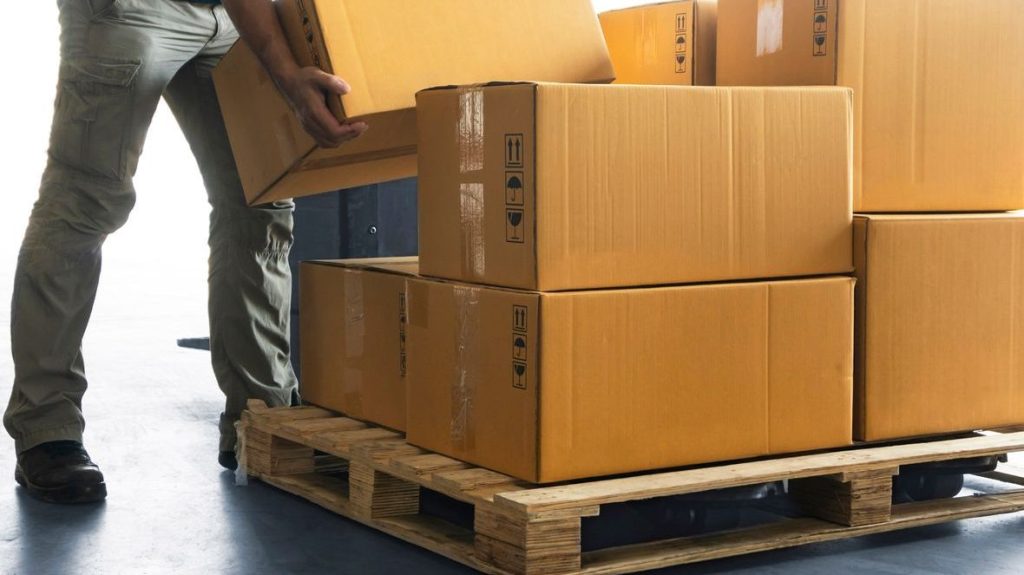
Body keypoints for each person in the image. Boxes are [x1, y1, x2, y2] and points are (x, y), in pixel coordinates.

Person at [4, 0, 365, 504]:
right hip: (131, 8)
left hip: (233, 16)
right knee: (83, 201)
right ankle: (47, 427)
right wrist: (286, 71)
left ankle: (260, 419)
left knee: (259, 197)